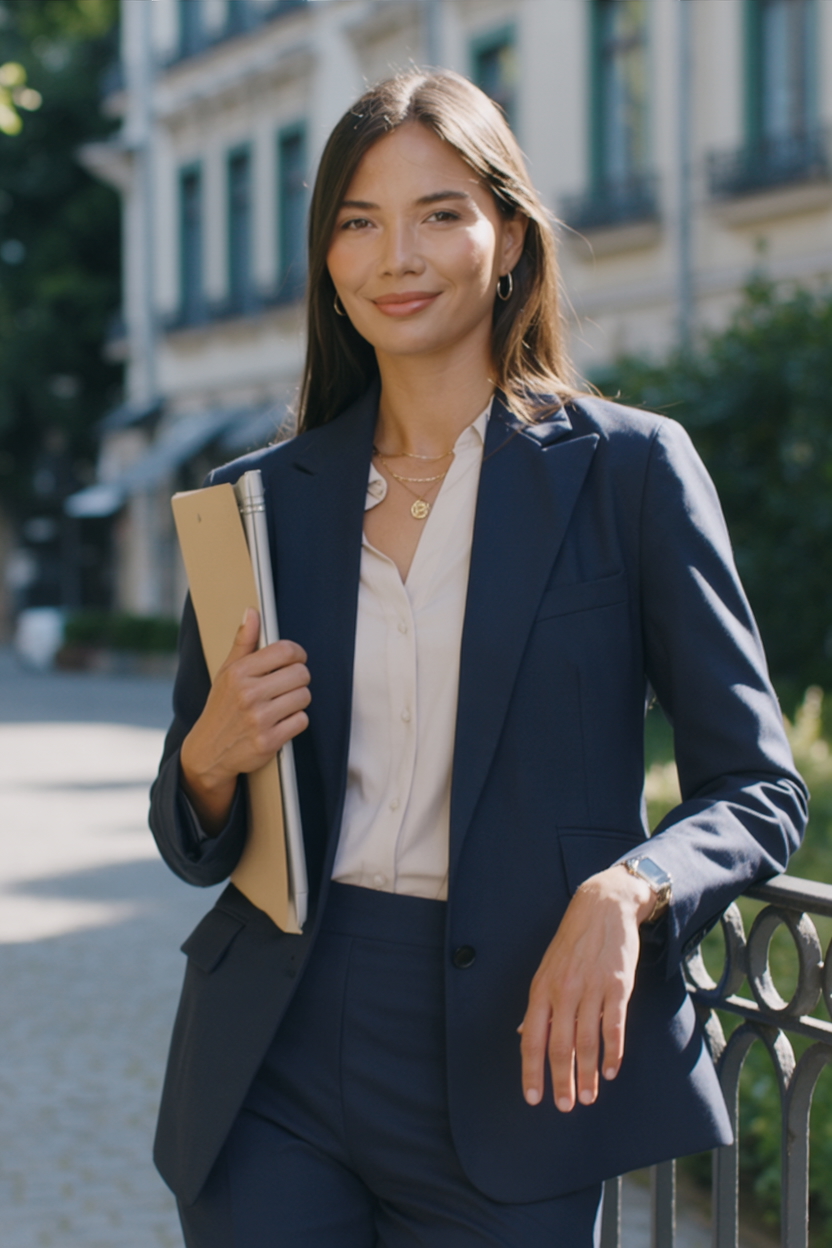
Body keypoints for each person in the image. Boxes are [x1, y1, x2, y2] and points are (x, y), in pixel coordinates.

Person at [149, 69, 807, 1248]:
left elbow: (758, 787)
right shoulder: (251, 506)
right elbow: (191, 829)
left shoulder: (630, 474)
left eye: (438, 212)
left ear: (507, 236)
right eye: (357, 221)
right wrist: (206, 762)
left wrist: (631, 887)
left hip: (519, 1053)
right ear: (327, 263)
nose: (395, 254)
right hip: (273, 1057)